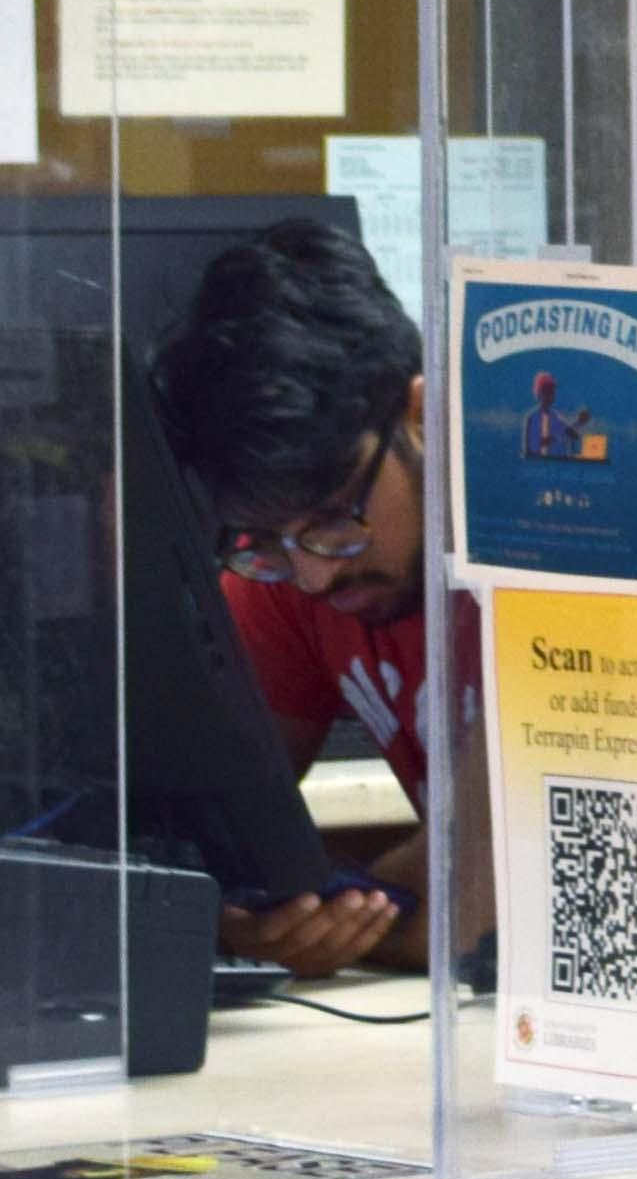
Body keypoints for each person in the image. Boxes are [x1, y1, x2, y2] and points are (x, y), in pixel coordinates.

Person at [144, 212, 452, 980]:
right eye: (268, 541)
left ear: (423, 416)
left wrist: (350, 922)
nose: (315, 576)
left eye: (333, 522)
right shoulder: (283, 568)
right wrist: (236, 907)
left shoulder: (554, 554)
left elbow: (515, 889)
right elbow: (210, 822)